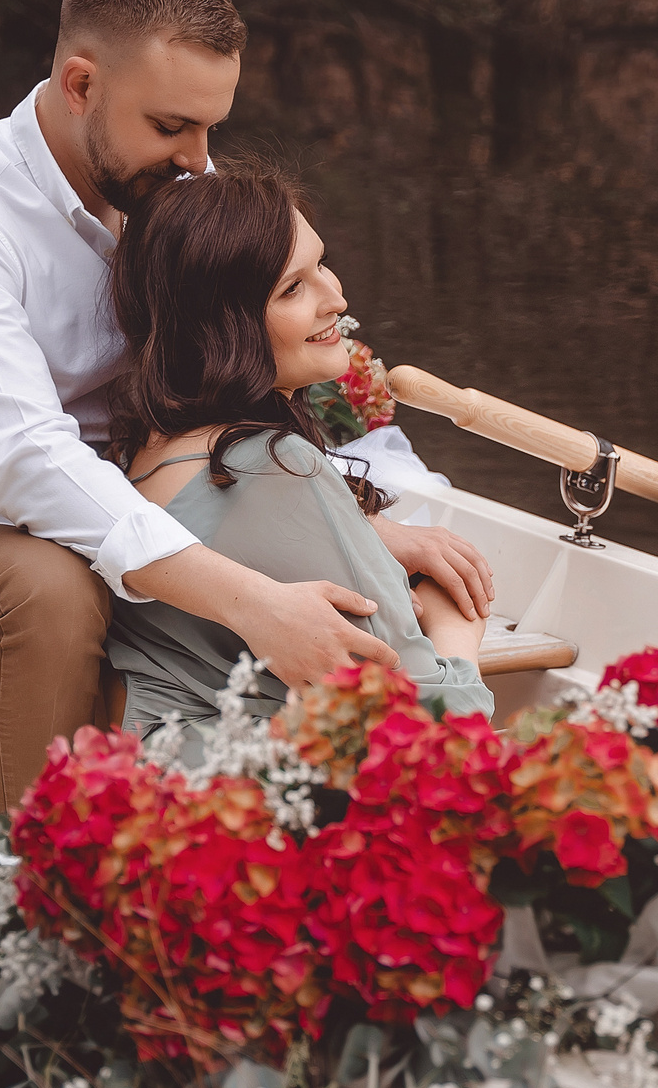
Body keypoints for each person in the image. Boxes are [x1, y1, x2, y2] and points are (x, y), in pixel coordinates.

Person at [0, 0, 492, 812]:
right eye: (172, 127)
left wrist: (344, 526)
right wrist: (256, 601)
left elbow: (211, 385)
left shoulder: (171, 183)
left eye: (211, 127)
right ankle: (41, 890)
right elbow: (27, 463)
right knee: (48, 590)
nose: (198, 159)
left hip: (125, 520)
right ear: (80, 85)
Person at [102, 159, 491, 755]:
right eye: (293, 288)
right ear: (221, 324)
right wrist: (455, 629)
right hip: (270, 812)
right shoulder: (271, 466)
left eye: (320, 266)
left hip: (171, 790)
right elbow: (436, 736)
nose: (336, 296)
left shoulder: (135, 459)